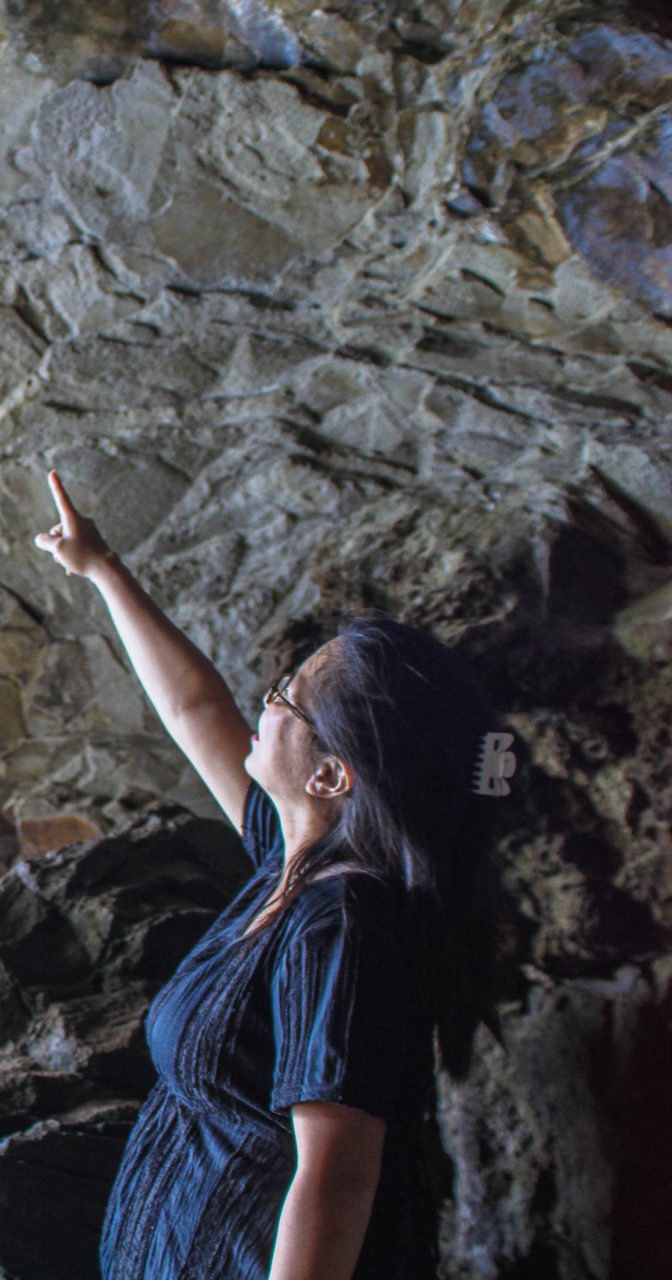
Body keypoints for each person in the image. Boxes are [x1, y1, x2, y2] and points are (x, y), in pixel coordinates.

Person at [31, 471, 500, 1279]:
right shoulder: (292, 864)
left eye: (287, 695)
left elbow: (338, 1174)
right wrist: (100, 566)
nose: (267, 700)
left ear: (332, 777)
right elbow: (194, 711)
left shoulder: (343, 923)